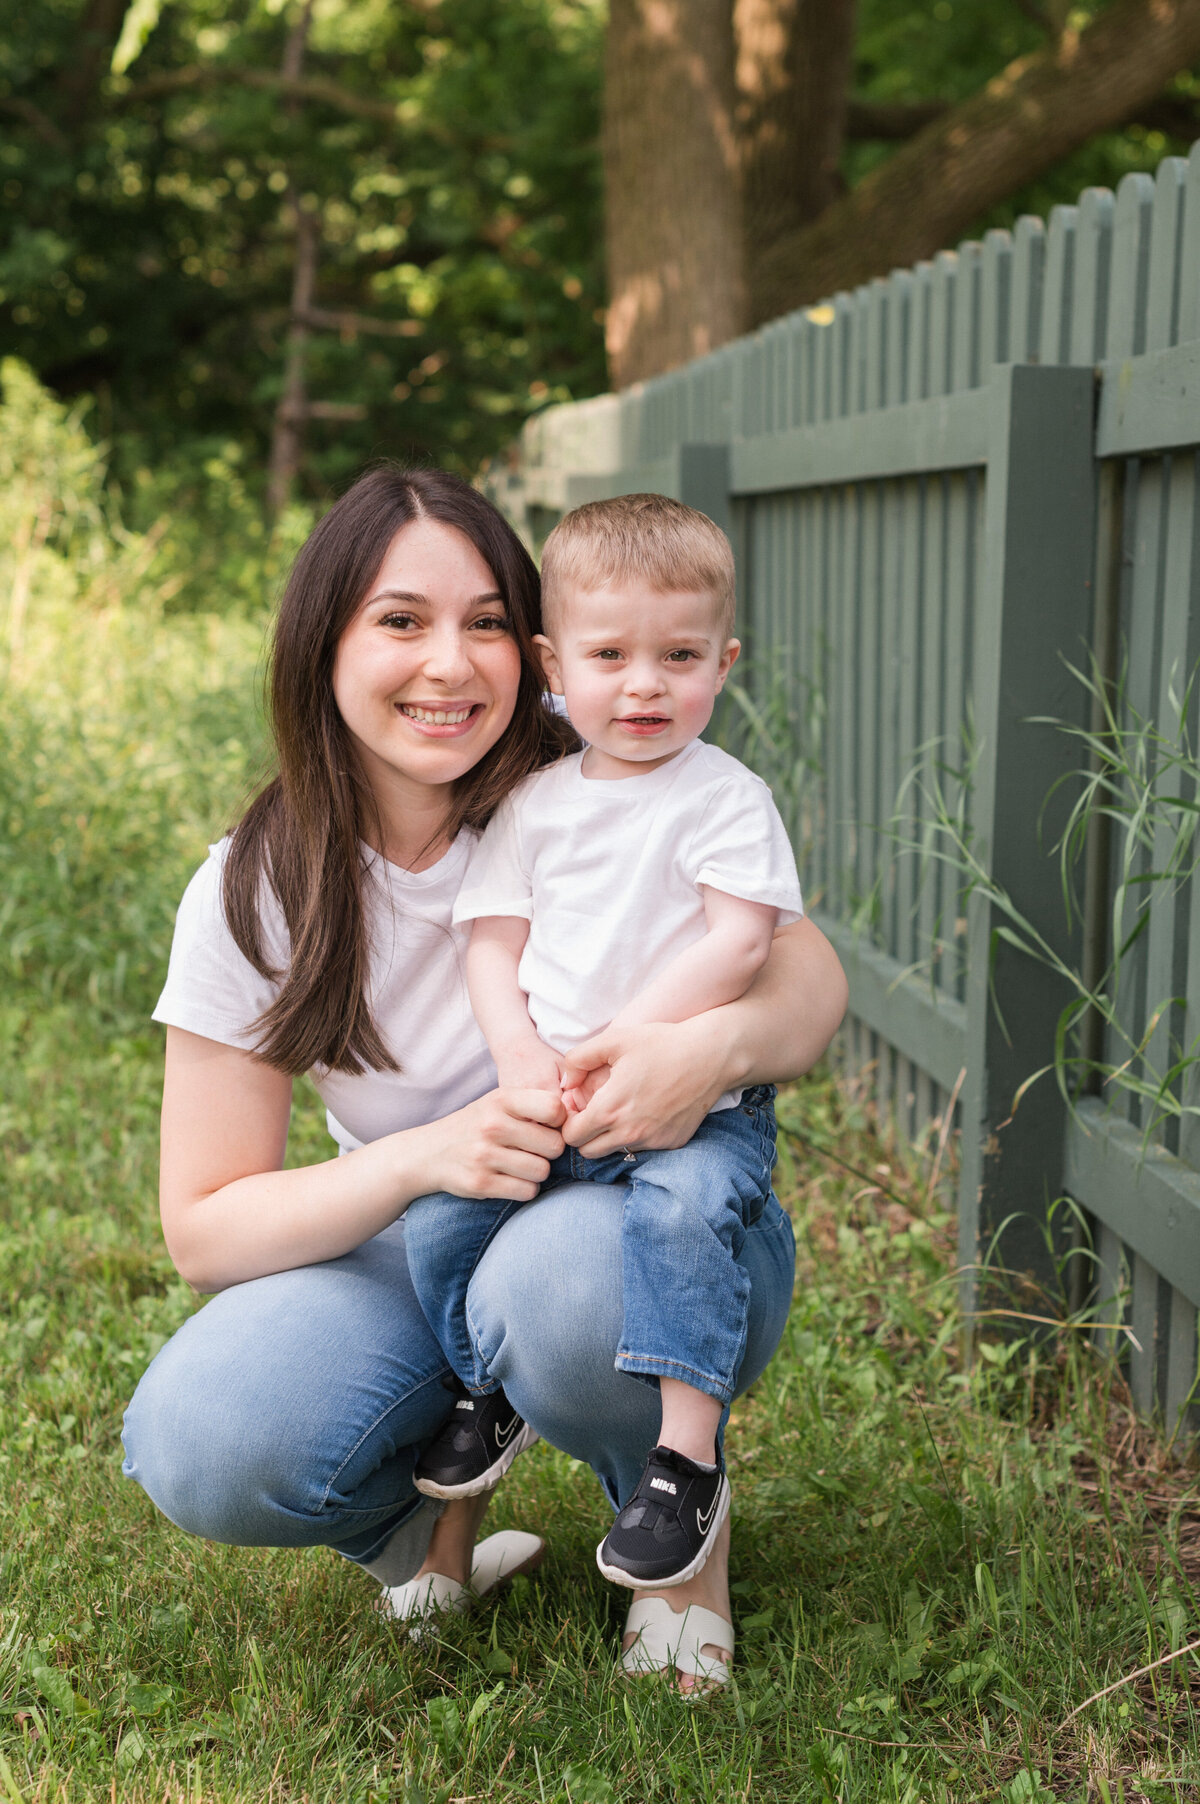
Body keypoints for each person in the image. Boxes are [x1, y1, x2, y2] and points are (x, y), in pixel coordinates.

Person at [120, 465, 847, 1692]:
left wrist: (704, 1049)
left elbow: (811, 983)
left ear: (537, 652)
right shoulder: (260, 885)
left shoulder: (604, 782)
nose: (448, 663)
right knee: (204, 1436)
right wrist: (424, 1156)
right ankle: (428, 1520)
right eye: (401, 620)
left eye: (487, 621)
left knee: (558, 1281)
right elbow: (205, 1226)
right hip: (426, 1231)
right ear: (324, 644)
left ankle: (676, 1534)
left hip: (646, 1217)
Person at [404, 495, 803, 1600]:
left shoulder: (723, 797)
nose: (644, 685)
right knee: (443, 1214)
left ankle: (684, 1456)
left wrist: (638, 1034)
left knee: (681, 1219)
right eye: (610, 654)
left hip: (691, 1114)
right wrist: (523, 1053)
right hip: (554, 1093)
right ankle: (483, 1388)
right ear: (551, 665)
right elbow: (492, 944)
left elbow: (741, 937)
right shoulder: (535, 804)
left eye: (680, 655)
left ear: (725, 661)